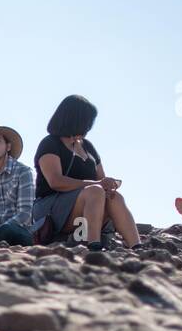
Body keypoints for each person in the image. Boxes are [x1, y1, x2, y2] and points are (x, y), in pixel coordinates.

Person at [31, 95, 141, 249]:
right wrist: (95, 184)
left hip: (88, 204)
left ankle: (137, 247)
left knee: (114, 196)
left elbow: (101, 180)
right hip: (50, 208)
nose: (88, 127)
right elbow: (55, 181)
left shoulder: (88, 146)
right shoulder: (50, 143)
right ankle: (93, 245)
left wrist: (109, 185)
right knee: (95, 191)